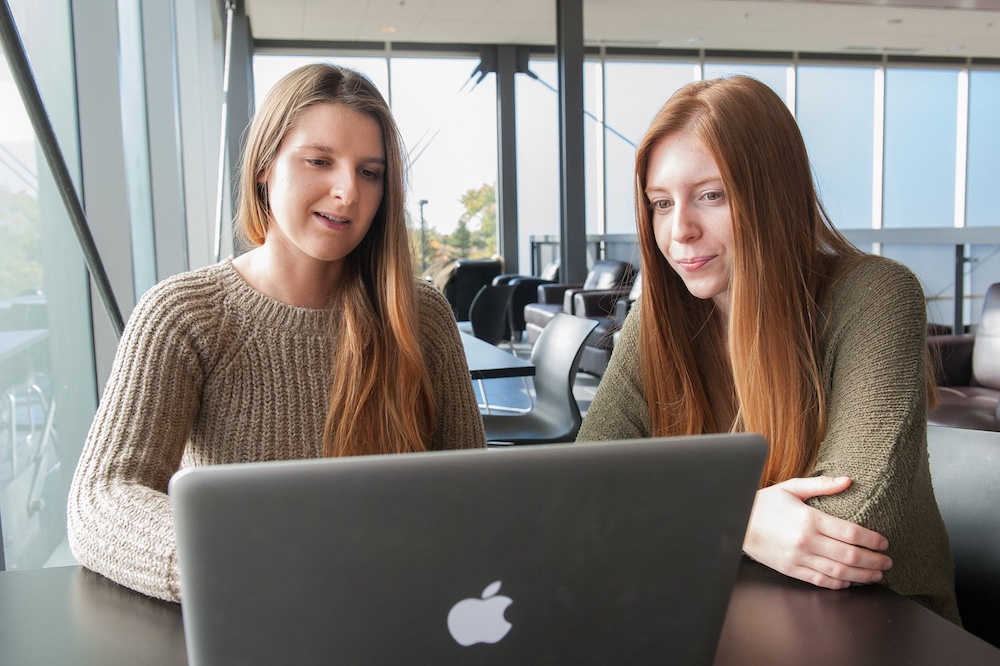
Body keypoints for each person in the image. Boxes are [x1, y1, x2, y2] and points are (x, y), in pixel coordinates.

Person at [67, 64, 487, 603]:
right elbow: (102, 497)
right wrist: (244, 562)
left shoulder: (419, 313)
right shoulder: (185, 315)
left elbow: (472, 492)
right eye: (319, 161)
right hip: (254, 610)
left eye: (370, 172)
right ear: (265, 166)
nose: (347, 192)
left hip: (400, 606)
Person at [577, 75, 961, 624]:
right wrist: (739, 519)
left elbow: (847, 521)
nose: (679, 230)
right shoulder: (659, 320)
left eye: (711, 195)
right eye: (661, 203)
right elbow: (586, 486)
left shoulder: (877, 294)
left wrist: (674, 512)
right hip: (720, 606)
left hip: (879, 623)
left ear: (772, 195)